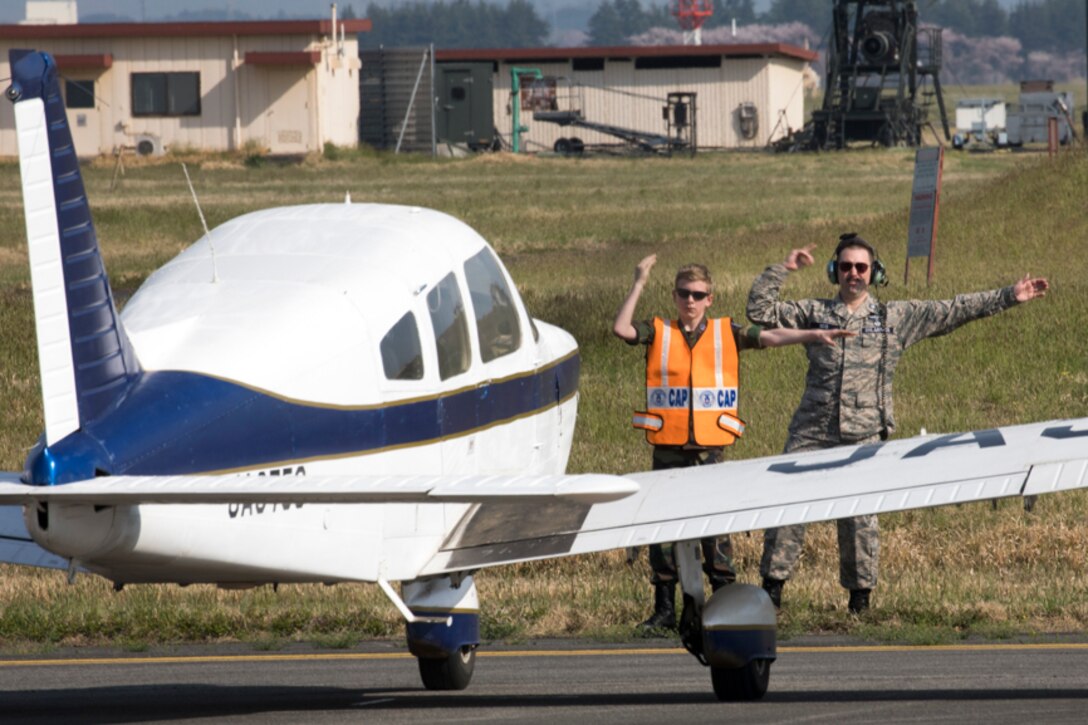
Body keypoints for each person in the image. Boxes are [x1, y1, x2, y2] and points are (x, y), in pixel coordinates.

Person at [747, 233, 1050, 614]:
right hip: (813, 429)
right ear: (833, 271)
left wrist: (1009, 295)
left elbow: (954, 309)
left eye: (861, 267)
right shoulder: (814, 313)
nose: (853, 274)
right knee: (788, 505)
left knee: (860, 517)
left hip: (866, 433)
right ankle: (771, 592)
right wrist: (782, 269)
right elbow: (760, 313)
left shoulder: (895, 317)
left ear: (874, 273)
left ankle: (860, 601)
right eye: (845, 267)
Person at [613, 254, 854, 632]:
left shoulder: (727, 332)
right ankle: (663, 610)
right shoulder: (659, 331)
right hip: (668, 450)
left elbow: (770, 336)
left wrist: (812, 335)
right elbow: (622, 329)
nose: (689, 301)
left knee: (715, 531)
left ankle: (723, 606)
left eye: (697, 294)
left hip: (710, 451)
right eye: (683, 294)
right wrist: (639, 281)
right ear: (674, 297)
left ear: (710, 298)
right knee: (661, 531)